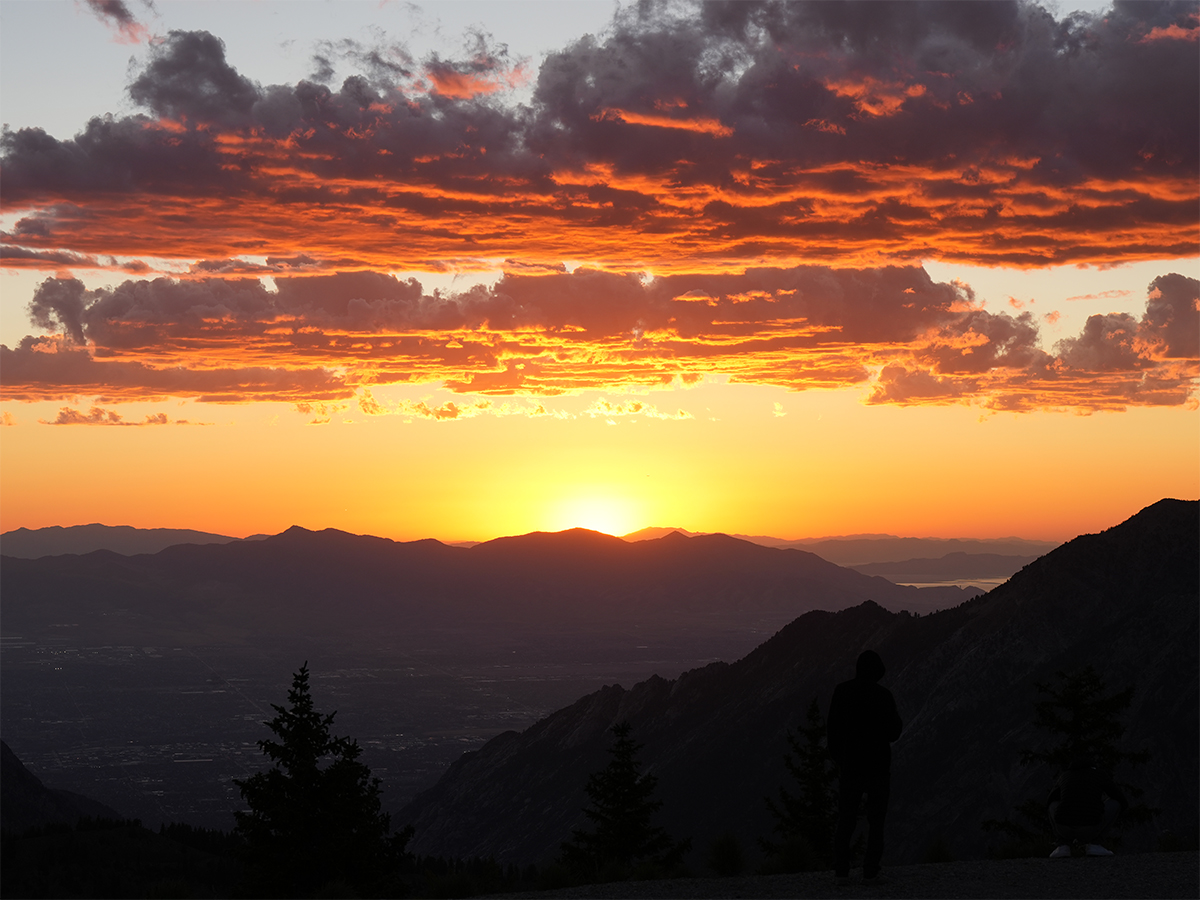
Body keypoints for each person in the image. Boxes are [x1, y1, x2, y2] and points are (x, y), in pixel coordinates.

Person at [826, 650, 903, 884]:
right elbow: (894, 732)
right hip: (878, 767)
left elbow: (833, 730)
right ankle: (870, 869)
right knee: (876, 821)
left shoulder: (842, 692)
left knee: (846, 819)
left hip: (851, 766)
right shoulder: (883, 696)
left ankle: (841, 869)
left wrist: (839, 758)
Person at [1046, 757, 1129, 858]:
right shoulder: (1099, 774)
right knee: (1115, 803)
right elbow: (1118, 796)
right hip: (1090, 829)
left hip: (1064, 829)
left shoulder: (1065, 776)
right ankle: (1095, 845)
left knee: (1052, 804)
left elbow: (1050, 799)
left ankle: (1063, 846)